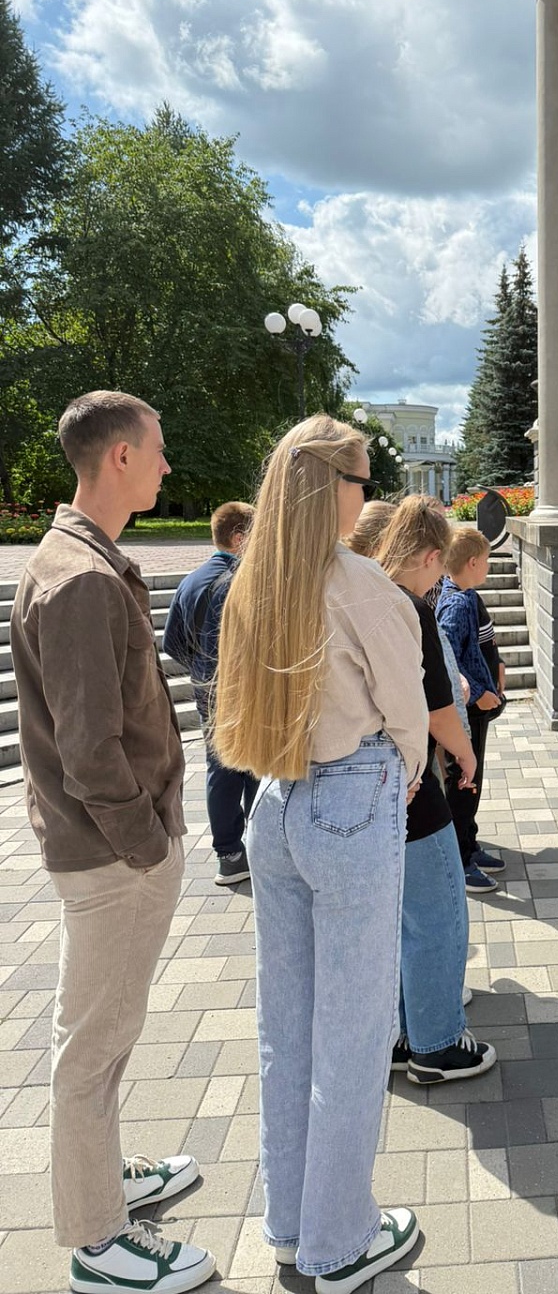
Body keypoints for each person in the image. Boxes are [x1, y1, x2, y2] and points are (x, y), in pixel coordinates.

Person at [213, 415, 428, 1292]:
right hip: (350, 793)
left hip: (277, 801)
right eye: (360, 480)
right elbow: (405, 702)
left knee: (287, 1026)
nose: (367, 496)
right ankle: (339, 1240)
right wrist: (407, 768)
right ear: (328, 486)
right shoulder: (357, 582)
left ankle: (295, 1224)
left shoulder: (255, 580)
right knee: (352, 1030)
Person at [11, 391, 214, 1294]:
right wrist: (148, 845)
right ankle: (99, 1242)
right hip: (112, 855)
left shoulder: (76, 558)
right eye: (157, 450)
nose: (167, 465)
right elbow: (90, 748)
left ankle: (102, 1175)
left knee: (98, 1033)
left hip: (102, 849)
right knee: (92, 1046)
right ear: (120, 457)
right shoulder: (83, 577)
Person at [373, 499, 497, 1084]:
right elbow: (437, 704)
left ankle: (404, 1033)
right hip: (411, 780)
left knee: (404, 915)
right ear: (427, 556)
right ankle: (437, 1044)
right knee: (439, 910)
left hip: (370, 778)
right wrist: (465, 752)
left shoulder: (360, 593)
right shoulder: (407, 606)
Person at [162, 500, 259, 884]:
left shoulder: (191, 580)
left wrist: (203, 668)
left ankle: (231, 853)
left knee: (223, 767)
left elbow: (172, 643)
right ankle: (244, 850)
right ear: (239, 538)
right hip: (244, 691)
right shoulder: (242, 582)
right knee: (250, 766)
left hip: (208, 690)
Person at [436, 528, 507, 894]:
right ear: (474, 562)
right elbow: (446, 655)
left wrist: (497, 667)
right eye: (488, 561)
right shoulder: (457, 603)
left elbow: (479, 646)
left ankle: (469, 842)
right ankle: (459, 858)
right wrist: (478, 693)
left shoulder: (466, 596)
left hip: (477, 709)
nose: (489, 567)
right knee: (465, 781)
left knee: (471, 780)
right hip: (468, 711)